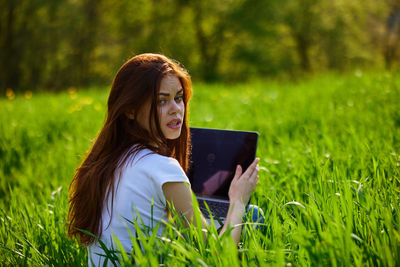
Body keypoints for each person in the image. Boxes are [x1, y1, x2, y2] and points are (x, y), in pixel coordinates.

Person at [67, 53, 261, 266]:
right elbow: (219, 255)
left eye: (178, 98)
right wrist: (238, 201)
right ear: (130, 110)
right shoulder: (162, 167)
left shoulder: (110, 160)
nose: (176, 109)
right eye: (162, 101)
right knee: (252, 214)